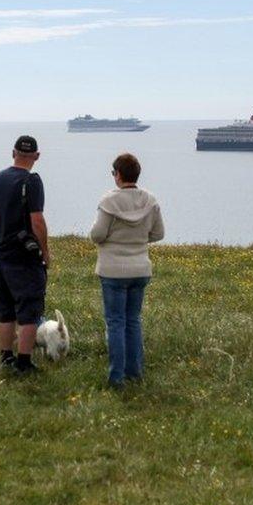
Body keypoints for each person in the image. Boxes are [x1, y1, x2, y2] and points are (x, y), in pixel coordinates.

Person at [89, 153, 165, 389]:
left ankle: (116, 378)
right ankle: (135, 372)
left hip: (113, 270)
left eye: (113, 173)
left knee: (115, 322)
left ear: (118, 175)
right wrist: (138, 239)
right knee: (133, 320)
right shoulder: (150, 200)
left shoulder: (109, 202)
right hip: (140, 267)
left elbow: (97, 234)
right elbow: (158, 233)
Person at [0, 135, 50, 375]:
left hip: (0, 255)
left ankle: (6, 358)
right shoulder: (32, 181)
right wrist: (46, 251)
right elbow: (37, 220)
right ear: (36, 156)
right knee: (29, 309)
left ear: (13, 153)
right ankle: (24, 362)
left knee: (5, 310)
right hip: (24, 258)